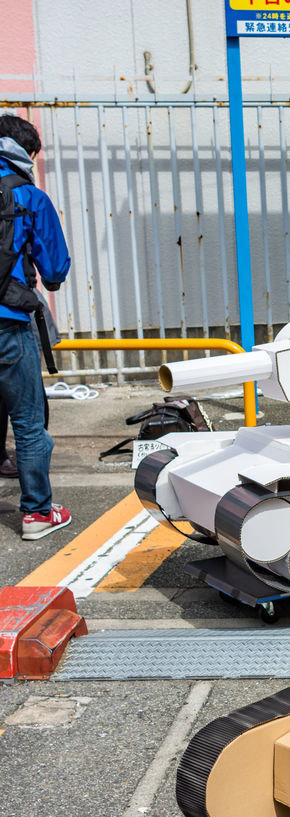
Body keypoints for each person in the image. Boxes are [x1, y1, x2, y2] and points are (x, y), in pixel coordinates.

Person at [0, 114, 72, 540]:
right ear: (25, 153)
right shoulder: (29, 197)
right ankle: (37, 514)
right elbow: (55, 270)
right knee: (28, 424)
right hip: (7, 325)